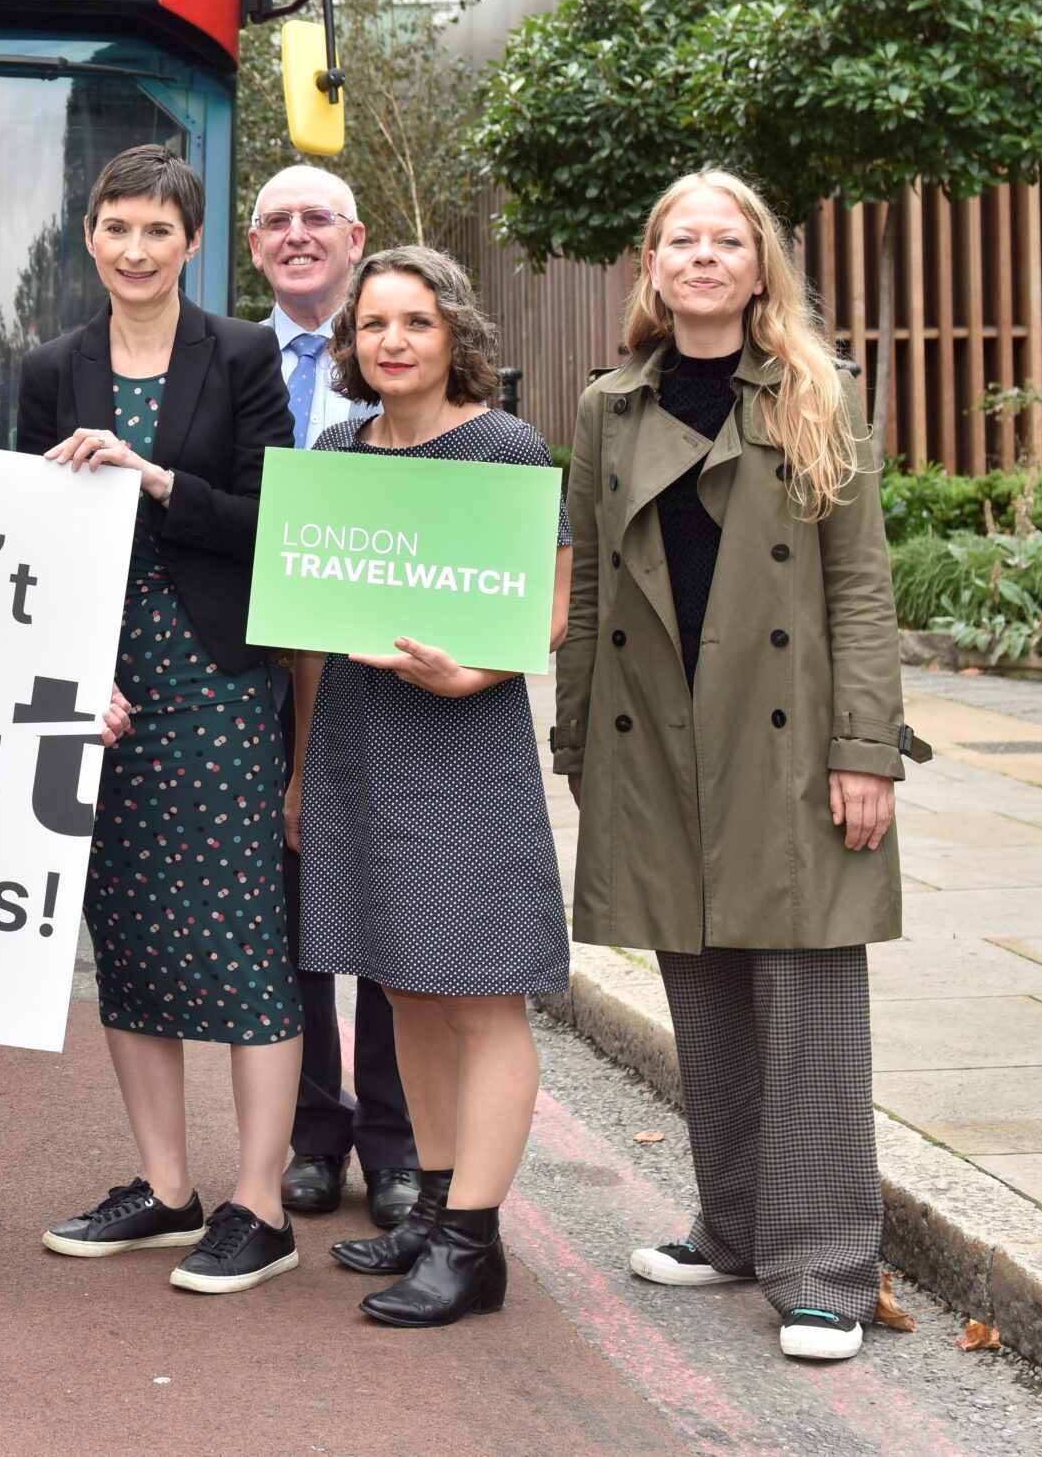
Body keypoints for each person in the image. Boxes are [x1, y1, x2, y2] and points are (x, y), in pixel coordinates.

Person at [557, 170, 919, 1364]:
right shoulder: (608, 404)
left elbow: (861, 588)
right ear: (651, 266)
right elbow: (597, 587)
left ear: (758, 267)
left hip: (794, 739)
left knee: (808, 1005)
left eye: (726, 241)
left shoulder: (821, 390)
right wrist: (575, 743)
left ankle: (823, 1270)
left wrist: (865, 749)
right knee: (702, 992)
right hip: (653, 736)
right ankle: (733, 1223)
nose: (703, 257)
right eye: (680, 239)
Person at [21, 144, 306, 1294]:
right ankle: (165, 1189)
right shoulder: (52, 364)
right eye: (114, 226)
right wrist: (63, 669)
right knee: (129, 936)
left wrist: (152, 480)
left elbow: (277, 514)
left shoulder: (238, 354)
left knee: (242, 939)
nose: (134, 249)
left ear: (191, 242)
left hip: (220, 675)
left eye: (157, 230)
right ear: (88, 236)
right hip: (104, 688)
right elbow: (26, 529)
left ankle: (262, 1205)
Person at [289, 245, 573, 1328]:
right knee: (405, 981)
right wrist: (306, 769)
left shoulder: (502, 447)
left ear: (455, 331)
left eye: (414, 321)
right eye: (373, 325)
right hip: (360, 748)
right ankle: (433, 1199)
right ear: (351, 343)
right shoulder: (334, 449)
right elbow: (311, 640)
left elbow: (553, 596)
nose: (392, 341)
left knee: (478, 992)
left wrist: (476, 670)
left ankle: (473, 1242)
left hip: (460, 746)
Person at [247, 164, 419, 1230]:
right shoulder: (220, 357)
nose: (298, 234)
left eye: (317, 218)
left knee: (396, 907)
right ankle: (315, 1132)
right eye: (277, 221)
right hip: (259, 675)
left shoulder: (405, 351)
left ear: (354, 239)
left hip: (385, 676)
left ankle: (395, 1140)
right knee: (291, 907)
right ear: (256, 246)